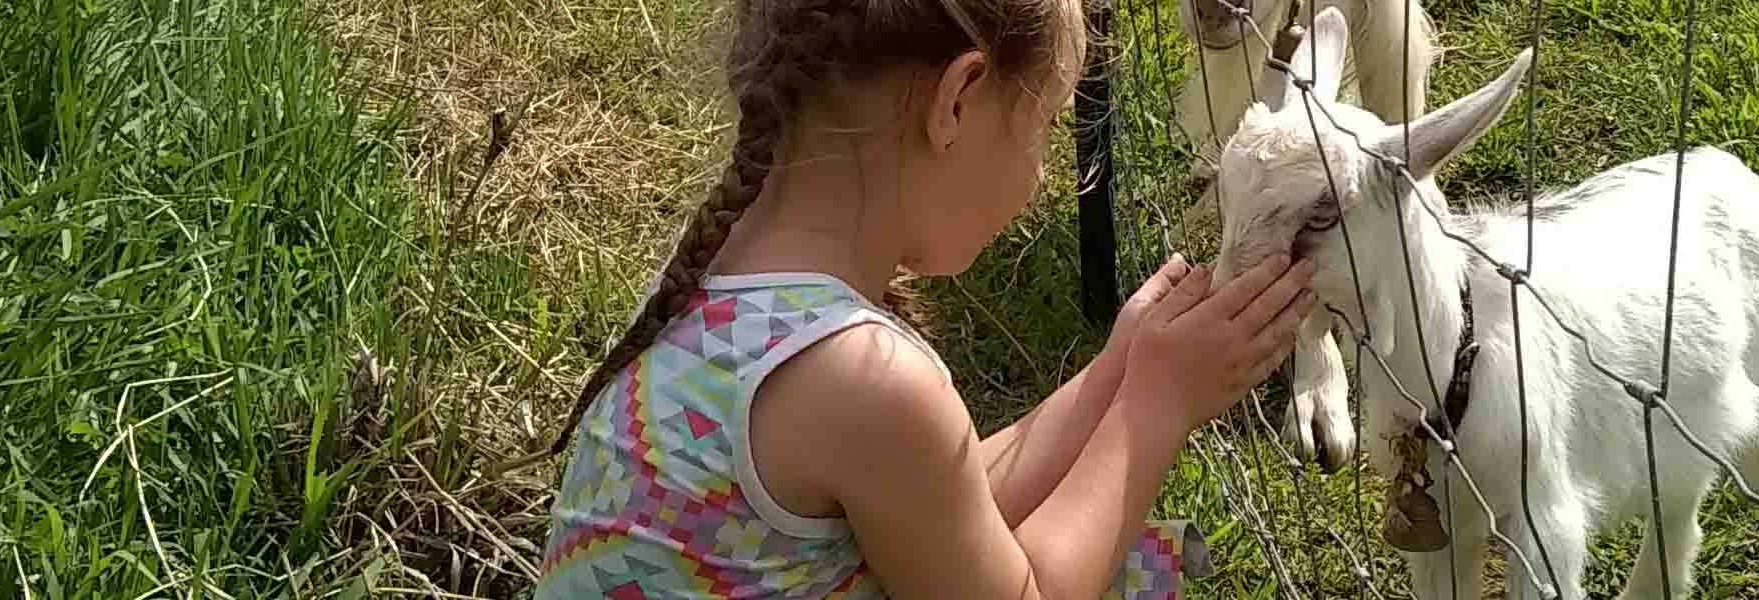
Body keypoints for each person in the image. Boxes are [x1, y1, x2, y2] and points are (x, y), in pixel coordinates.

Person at [529, 0, 1316, 597]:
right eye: (1041, 129)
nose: (1040, 178)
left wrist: (1120, 366)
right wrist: (1157, 408)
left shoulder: (726, 284)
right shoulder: (868, 382)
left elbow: (945, 505)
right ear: (959, 100)